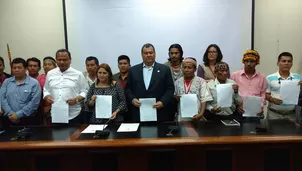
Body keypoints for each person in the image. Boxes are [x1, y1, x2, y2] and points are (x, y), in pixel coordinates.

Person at [126, 43, 175, 122]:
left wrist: (163, 101)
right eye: (146, 53)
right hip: (139, 112)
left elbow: (170, 88)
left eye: (151, 52)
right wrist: (132, 99)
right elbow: (128, 89)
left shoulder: (164, 69)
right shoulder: (133, 70)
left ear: (155, 54)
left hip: (160, 112)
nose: (149, 55)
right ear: (142, 55)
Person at [44, 49, 89, 124]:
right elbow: (46, 89)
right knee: (56, 135)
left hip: (74, 115)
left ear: (70, 60)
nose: (62, 62)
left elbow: (85, 91)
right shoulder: (50, 74)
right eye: (59, 60)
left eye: (64, 60)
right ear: (56, 60)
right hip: (56, 114)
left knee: (74, 136)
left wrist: (76, 99)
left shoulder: (78, 74)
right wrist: (47, 96)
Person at [0, 58, 41, 126]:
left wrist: (18, 115)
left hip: (28, 119)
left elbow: (34, 102)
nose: (16, 70)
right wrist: (10, 113)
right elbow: (2, 98)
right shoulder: (6, 82)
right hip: (8, 118)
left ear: (25, 69)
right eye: (14, 68)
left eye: (19, 67)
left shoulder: (34, 83)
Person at [266, 52, 302, 120]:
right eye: (283, 61)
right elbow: (265, 94)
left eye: (289, 61)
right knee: (272, 131)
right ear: (278, 63)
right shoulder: (269, 78)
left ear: (292, 64)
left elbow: (299, 95)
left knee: (291, 131)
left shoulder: (298, 77)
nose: (286, 63)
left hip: (291, 114)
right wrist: (272, 99)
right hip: (274, 114)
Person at [231, 50, 266, 114]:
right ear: (243, 62)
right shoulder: (235, 75)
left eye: (252, 61)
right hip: (238, 111)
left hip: (256, 111)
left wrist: (261, 107)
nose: (249, 64)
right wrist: (237, 106)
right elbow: (231, 93)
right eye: (246, 61)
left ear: (257, 62)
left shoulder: (262, 77)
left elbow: (263, 94)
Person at [36, 56, 57, 124]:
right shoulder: (39, 79)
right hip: (42, 109)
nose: (47, 66)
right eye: (45, 65)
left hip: (56, 107)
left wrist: (50, 107)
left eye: (49, 64)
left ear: (55, 66)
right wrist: (43, 108)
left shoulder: (58, 78)